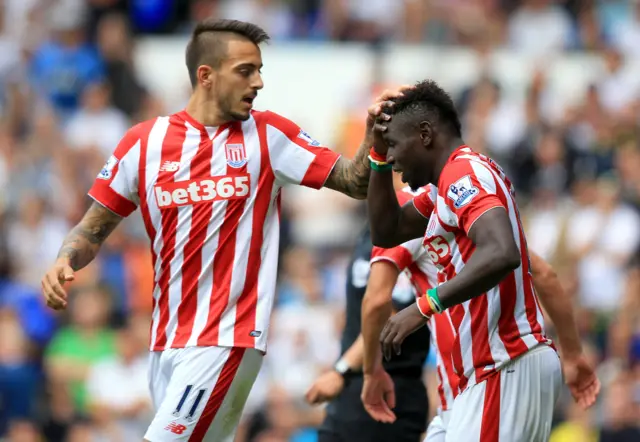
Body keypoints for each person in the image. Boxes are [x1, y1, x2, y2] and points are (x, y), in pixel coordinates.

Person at [40, 18, 406, 442]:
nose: (260, 82)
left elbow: (354, 181)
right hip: (165, 344)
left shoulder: (270, 135)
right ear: (206, 76)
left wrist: (373, 140)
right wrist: (65, 258)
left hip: (227, 339)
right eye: (246, 70)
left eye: (260, 69)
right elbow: (91, 229)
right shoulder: (143, 144)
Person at [365, 80, 600, 441]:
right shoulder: (444, 189)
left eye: (395, 145)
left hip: (502, 365)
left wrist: (423, 306)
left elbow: (501, 252)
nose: (393, 157)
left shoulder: (465, 175)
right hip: (483, 377)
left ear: (425, 134)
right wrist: (376, 155)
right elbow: (387, 230)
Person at [304, 179, 430, 442]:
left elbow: (392, 315)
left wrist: (341, 370)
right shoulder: (372, 228)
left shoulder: (411, 228)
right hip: (354, 391)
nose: (372, 174)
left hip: (389, 394)